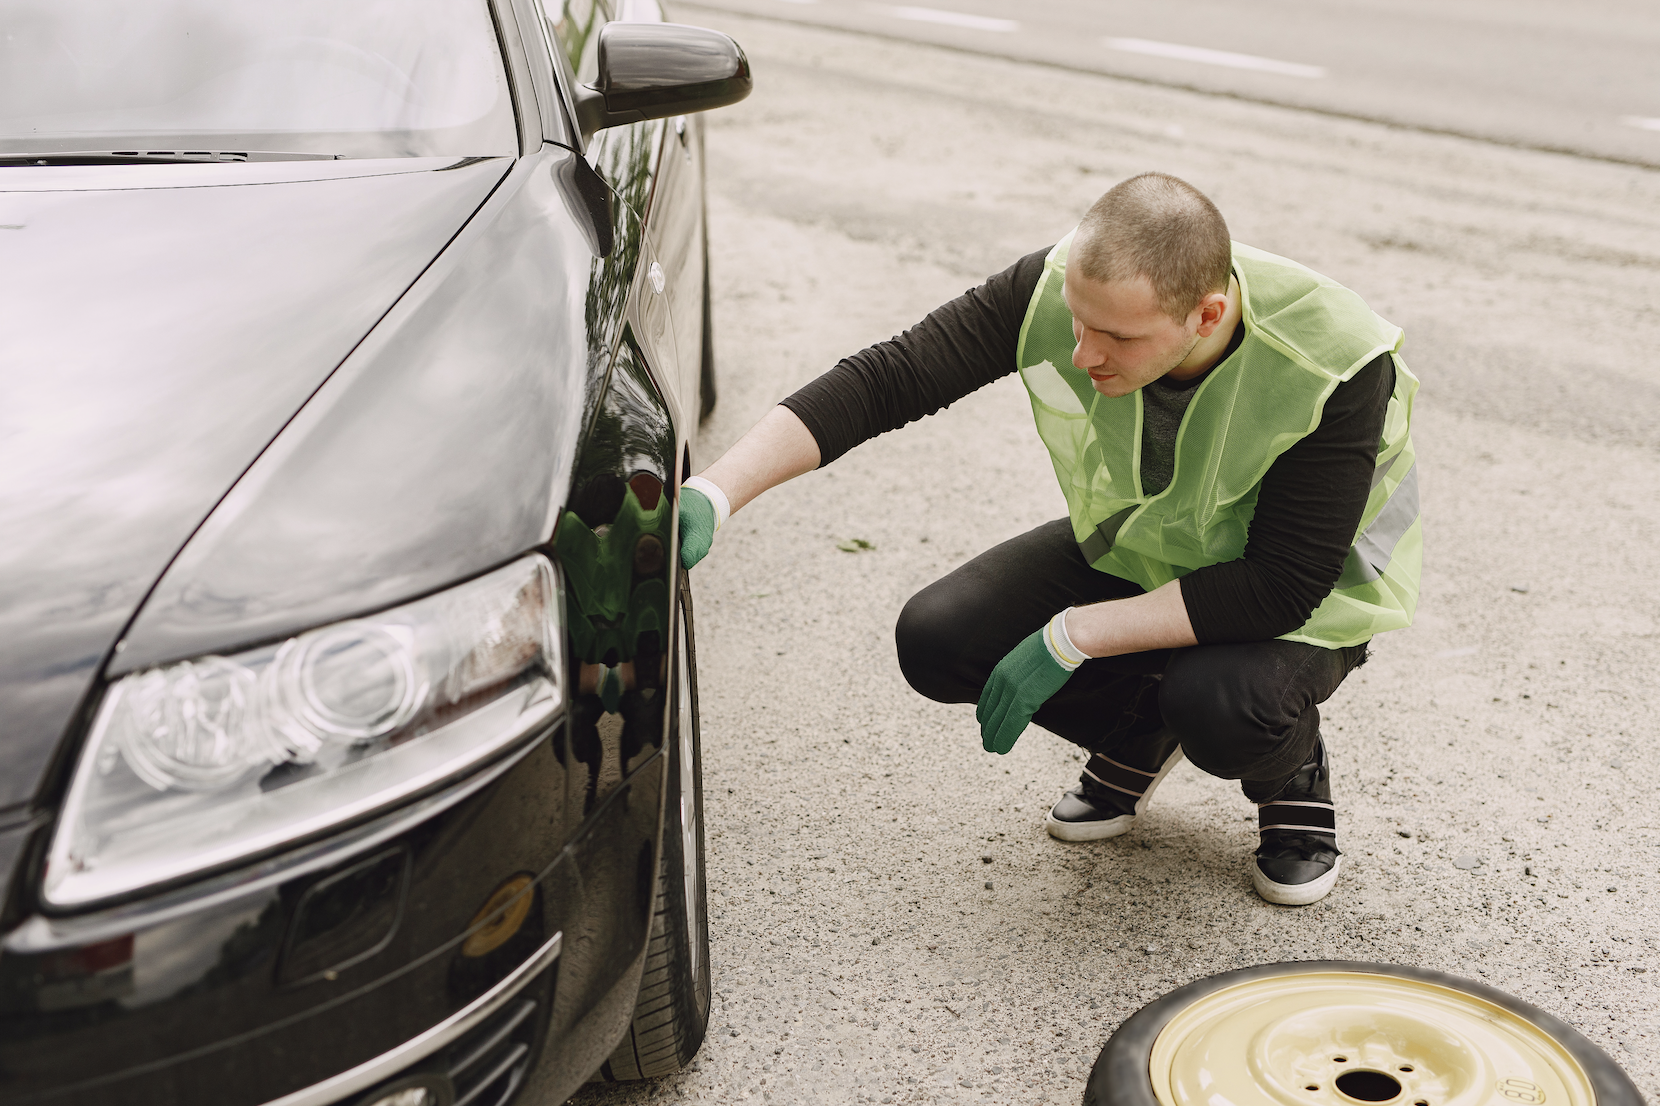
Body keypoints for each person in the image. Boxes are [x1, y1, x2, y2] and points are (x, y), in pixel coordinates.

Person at [677, 172, 1419, 906]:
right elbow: (889, 378)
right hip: (1148, 550)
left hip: (1300, 602)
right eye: (1078, 323)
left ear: (1207, 313)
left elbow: (1279, 586)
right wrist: (717, 491)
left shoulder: (1332, 360)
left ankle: (1290, 777)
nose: (1084, 354)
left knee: (1221, 704)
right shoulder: (1064, 285)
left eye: (1118, 338)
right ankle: (1137, 735)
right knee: (938, 638)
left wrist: (1075, 634)